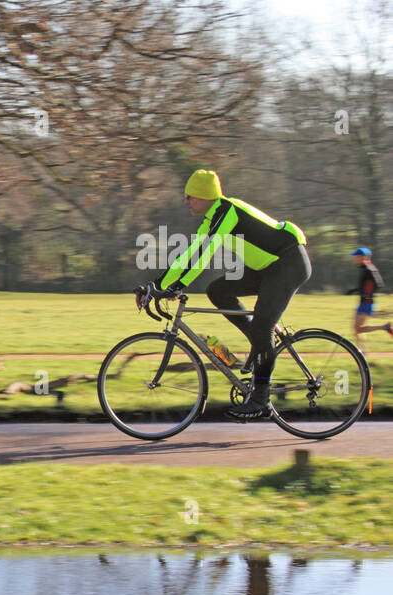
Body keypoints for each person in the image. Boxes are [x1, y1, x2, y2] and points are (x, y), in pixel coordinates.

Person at [149, 169, 311, 421]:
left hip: (288, 264)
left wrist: (180, 285)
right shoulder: (213, 217)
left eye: (190, 196)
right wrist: (155, 285)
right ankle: (257, 341)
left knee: (262, 328)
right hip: (267, 267)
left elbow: (206, 254)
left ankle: (260, 400)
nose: (185, 201)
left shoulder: (228, 211)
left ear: (204, 196)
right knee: (217, 290)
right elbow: (188, 255)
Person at [347, 247, 392, 344]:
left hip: (367, 302)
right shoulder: (365, 268)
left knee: (357, 329)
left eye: (356, 256)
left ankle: (384, 327)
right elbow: (364, 285)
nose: (354, 258)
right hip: (363, 301)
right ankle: (361, 351)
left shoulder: (369, 269)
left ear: (362, 257)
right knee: (356, 329)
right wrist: (354, 290)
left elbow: (379, 283)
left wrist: (368, 294)